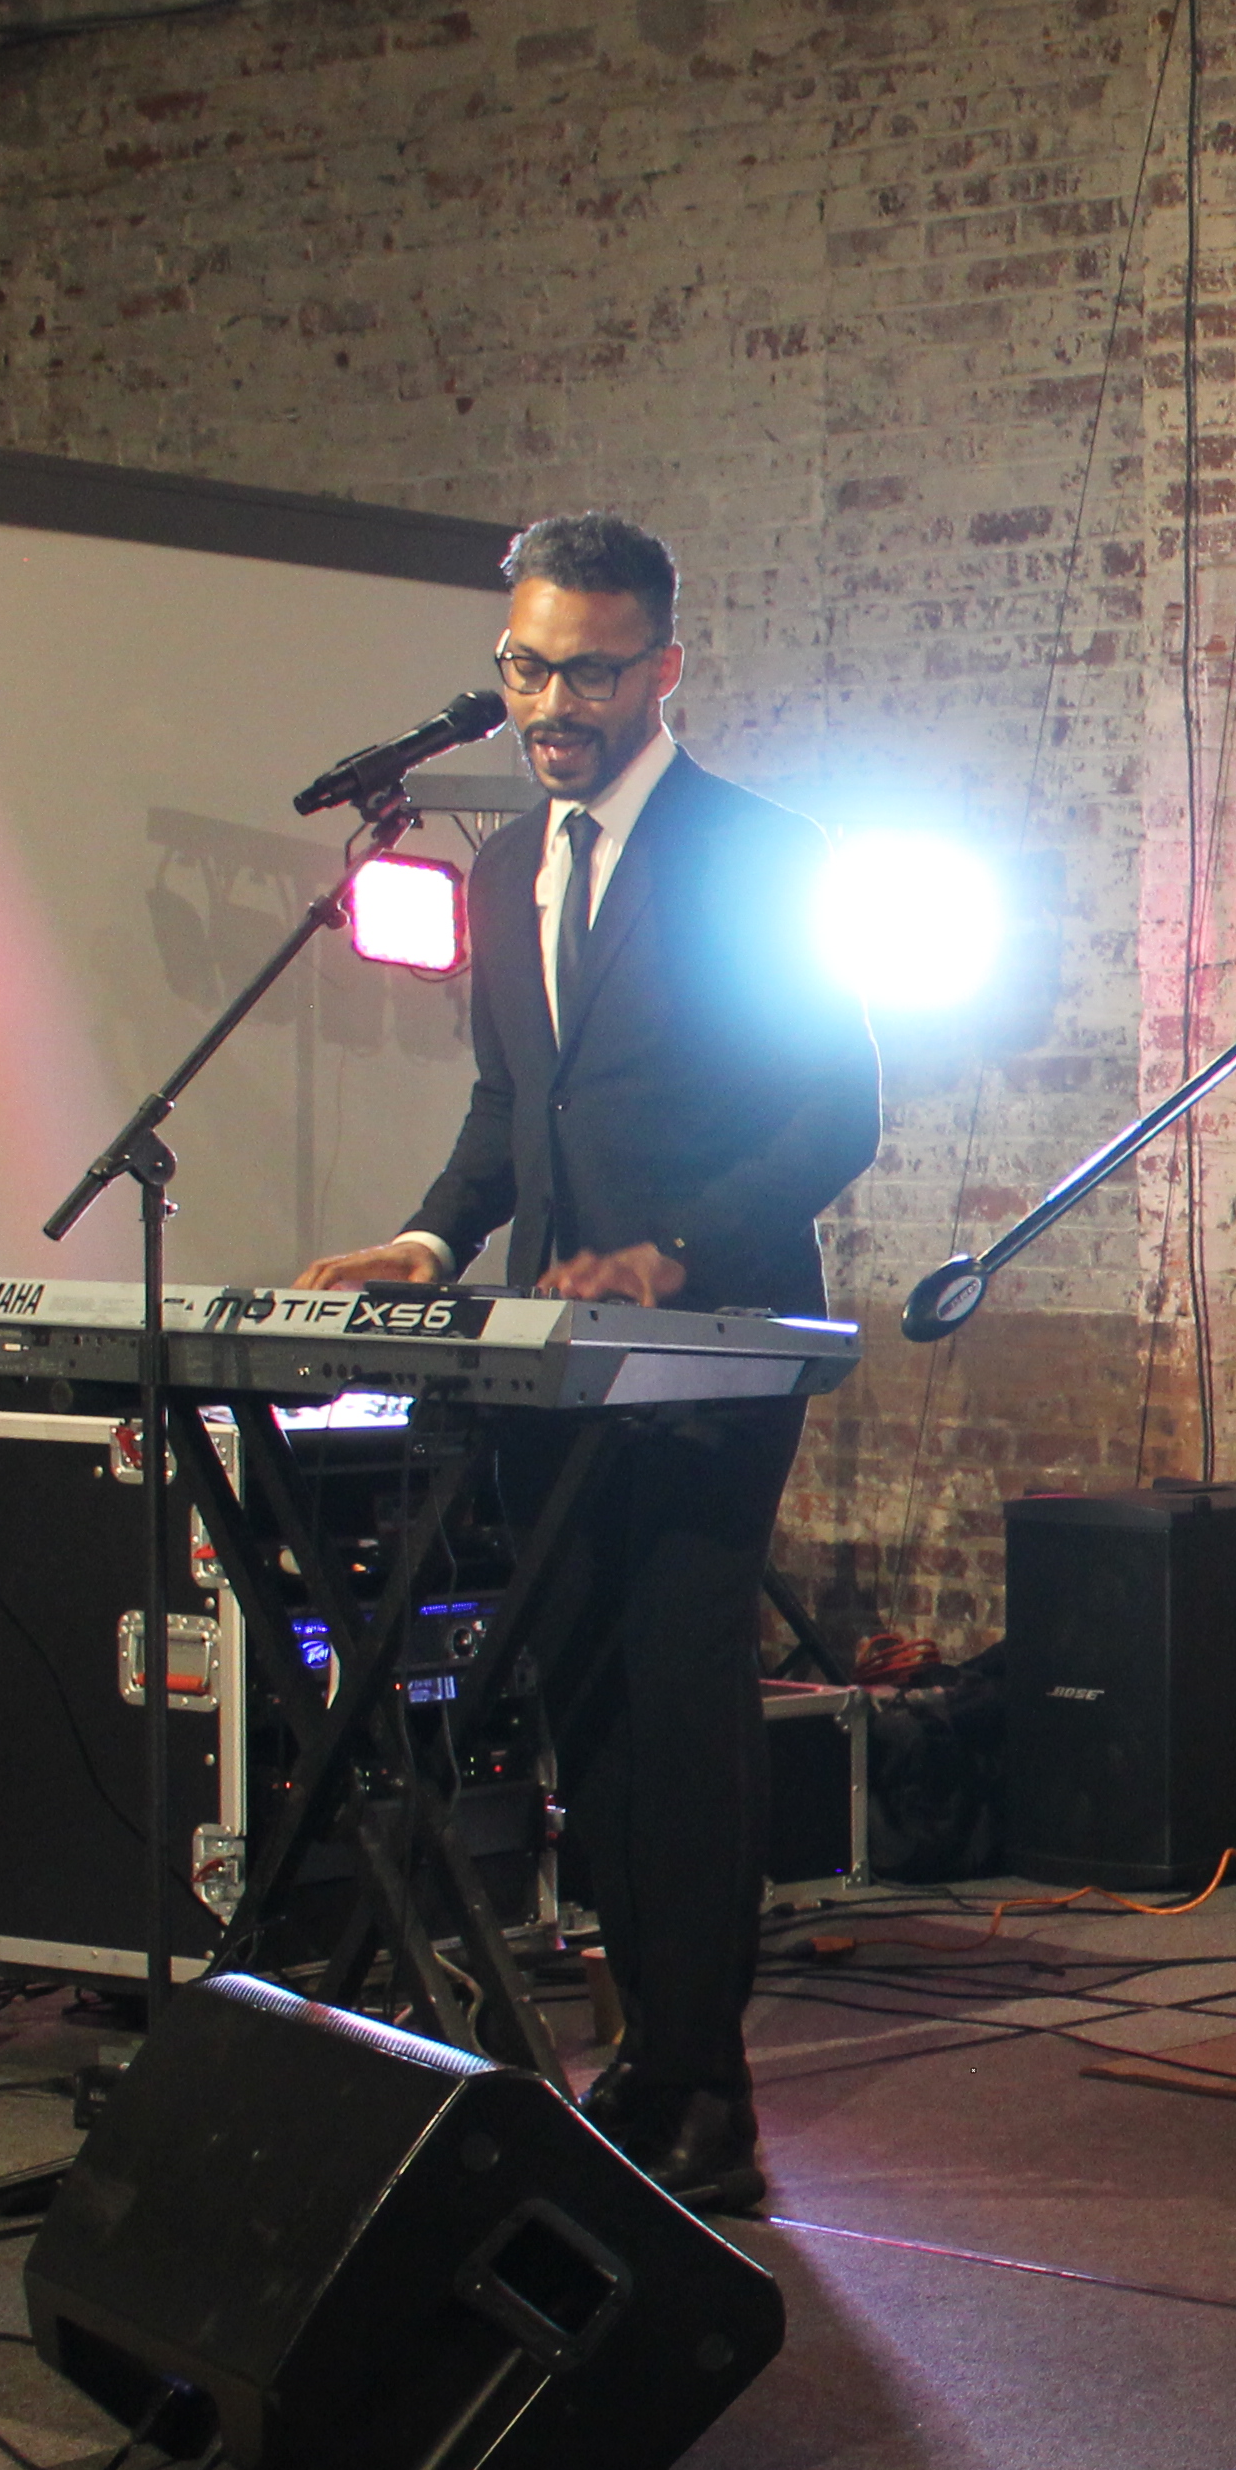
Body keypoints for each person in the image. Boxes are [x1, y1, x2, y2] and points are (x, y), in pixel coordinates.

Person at [299, 510, 880, 2218]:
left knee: (682, 1699)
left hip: (712, 1352)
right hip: (553, 1364)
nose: (556, 699)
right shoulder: (501, 868)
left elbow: (832, 1111)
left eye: (591, 670)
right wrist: (423, 1239)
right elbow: (512, 1114)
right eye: (530, 667)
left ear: (664, 670)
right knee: (589, 1706)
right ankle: (647, 2056)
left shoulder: (753, 855)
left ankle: (712, 2088)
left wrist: (674, 1252)